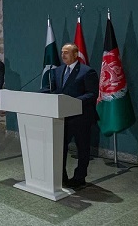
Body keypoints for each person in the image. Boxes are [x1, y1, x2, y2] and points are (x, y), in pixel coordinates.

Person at [41, 43, 98, 189]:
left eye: (66, 52)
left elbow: (92, 94)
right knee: (61, 147)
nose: (63, 55)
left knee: (82, 148)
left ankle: (80, 177)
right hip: (62, 117)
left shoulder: (87, 71)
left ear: (75, 54)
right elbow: (54, 89)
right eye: (62, 52)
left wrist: (73, 102)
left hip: (81, 117)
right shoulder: (58, 70)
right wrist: (42, 94)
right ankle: (62, 175)